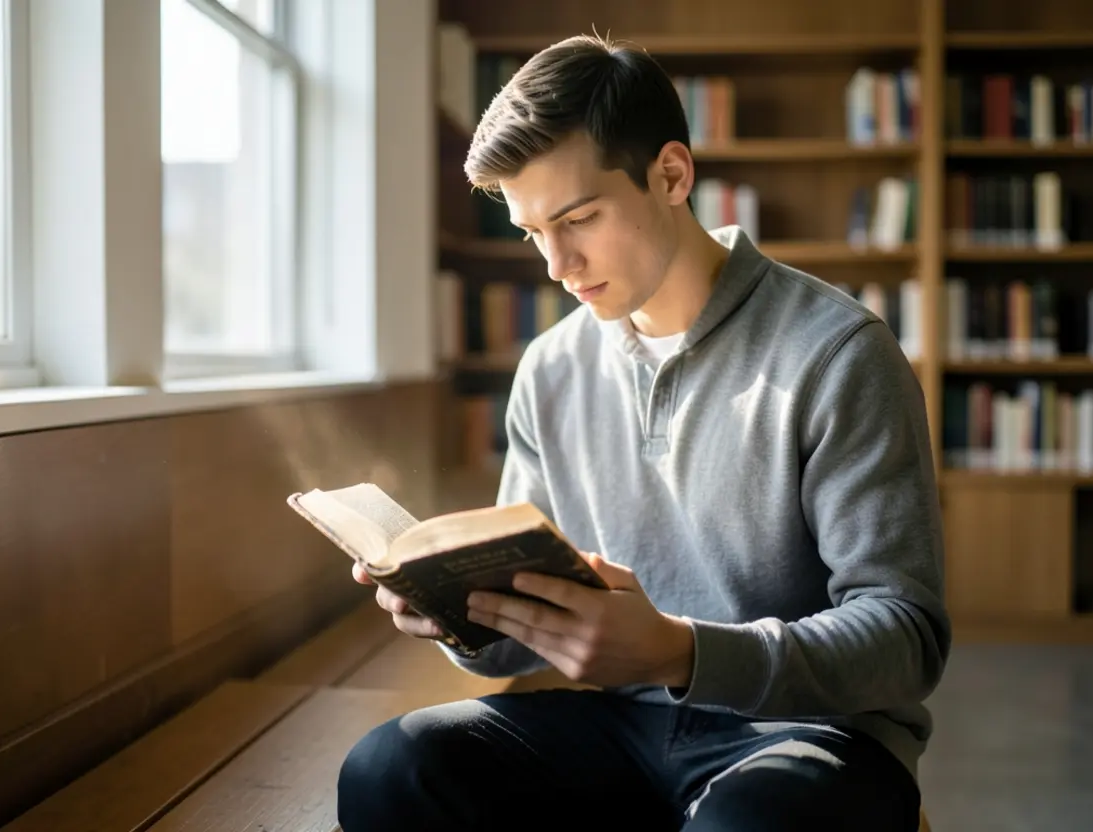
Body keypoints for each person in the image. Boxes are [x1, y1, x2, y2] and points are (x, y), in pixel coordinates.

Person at [337, 32, 949, 832]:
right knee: (391, 769)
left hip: (806, 734)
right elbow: (534, 631)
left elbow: (905, 639)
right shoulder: (551, 368)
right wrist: (461, 619)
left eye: (578, 217)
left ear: (670, 174)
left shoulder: (837, 354)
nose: (556, 264)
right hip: (624, 725)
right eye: (531, 232)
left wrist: (680, 651)